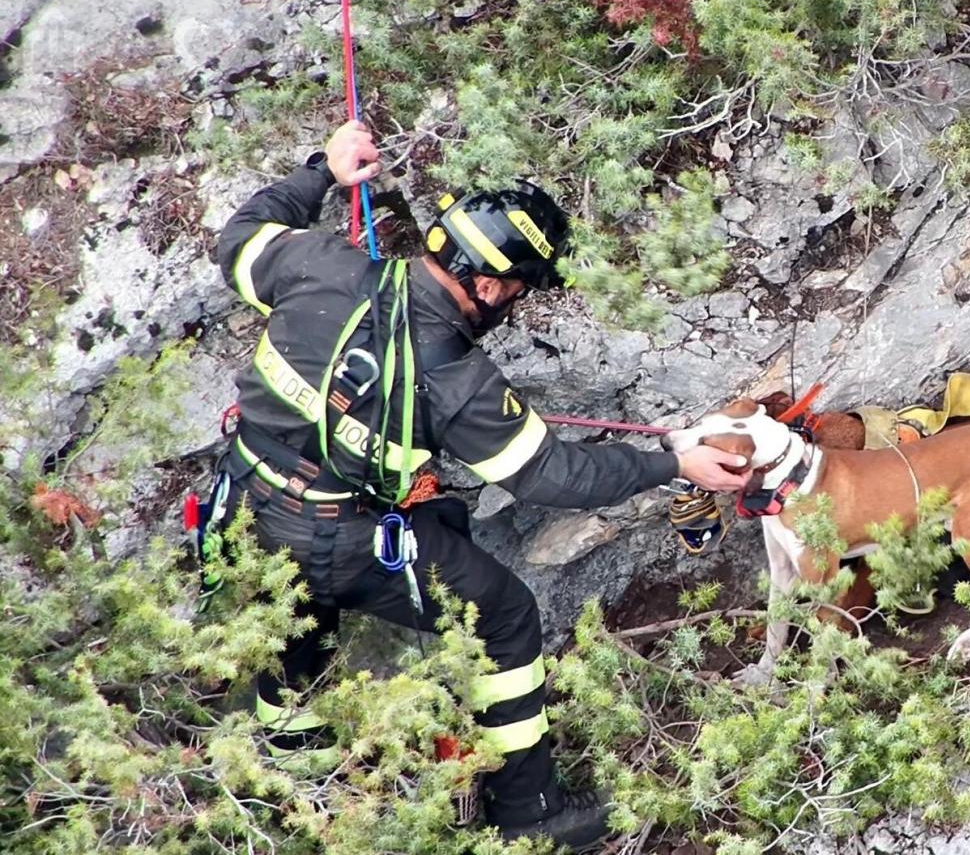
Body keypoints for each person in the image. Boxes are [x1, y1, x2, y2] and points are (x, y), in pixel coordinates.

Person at [213, 120, 751, 847]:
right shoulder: (458, 381)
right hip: (343, 537)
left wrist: (324, 171)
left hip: (242, 501)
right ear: (489, 283)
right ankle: (528, 815)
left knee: (293, 631)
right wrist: (674, 463)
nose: (515, 306)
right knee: (504, 617)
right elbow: (554, 474)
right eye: (520, 293)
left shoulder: (318, 263)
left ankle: (301, 796)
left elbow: (242, 237)